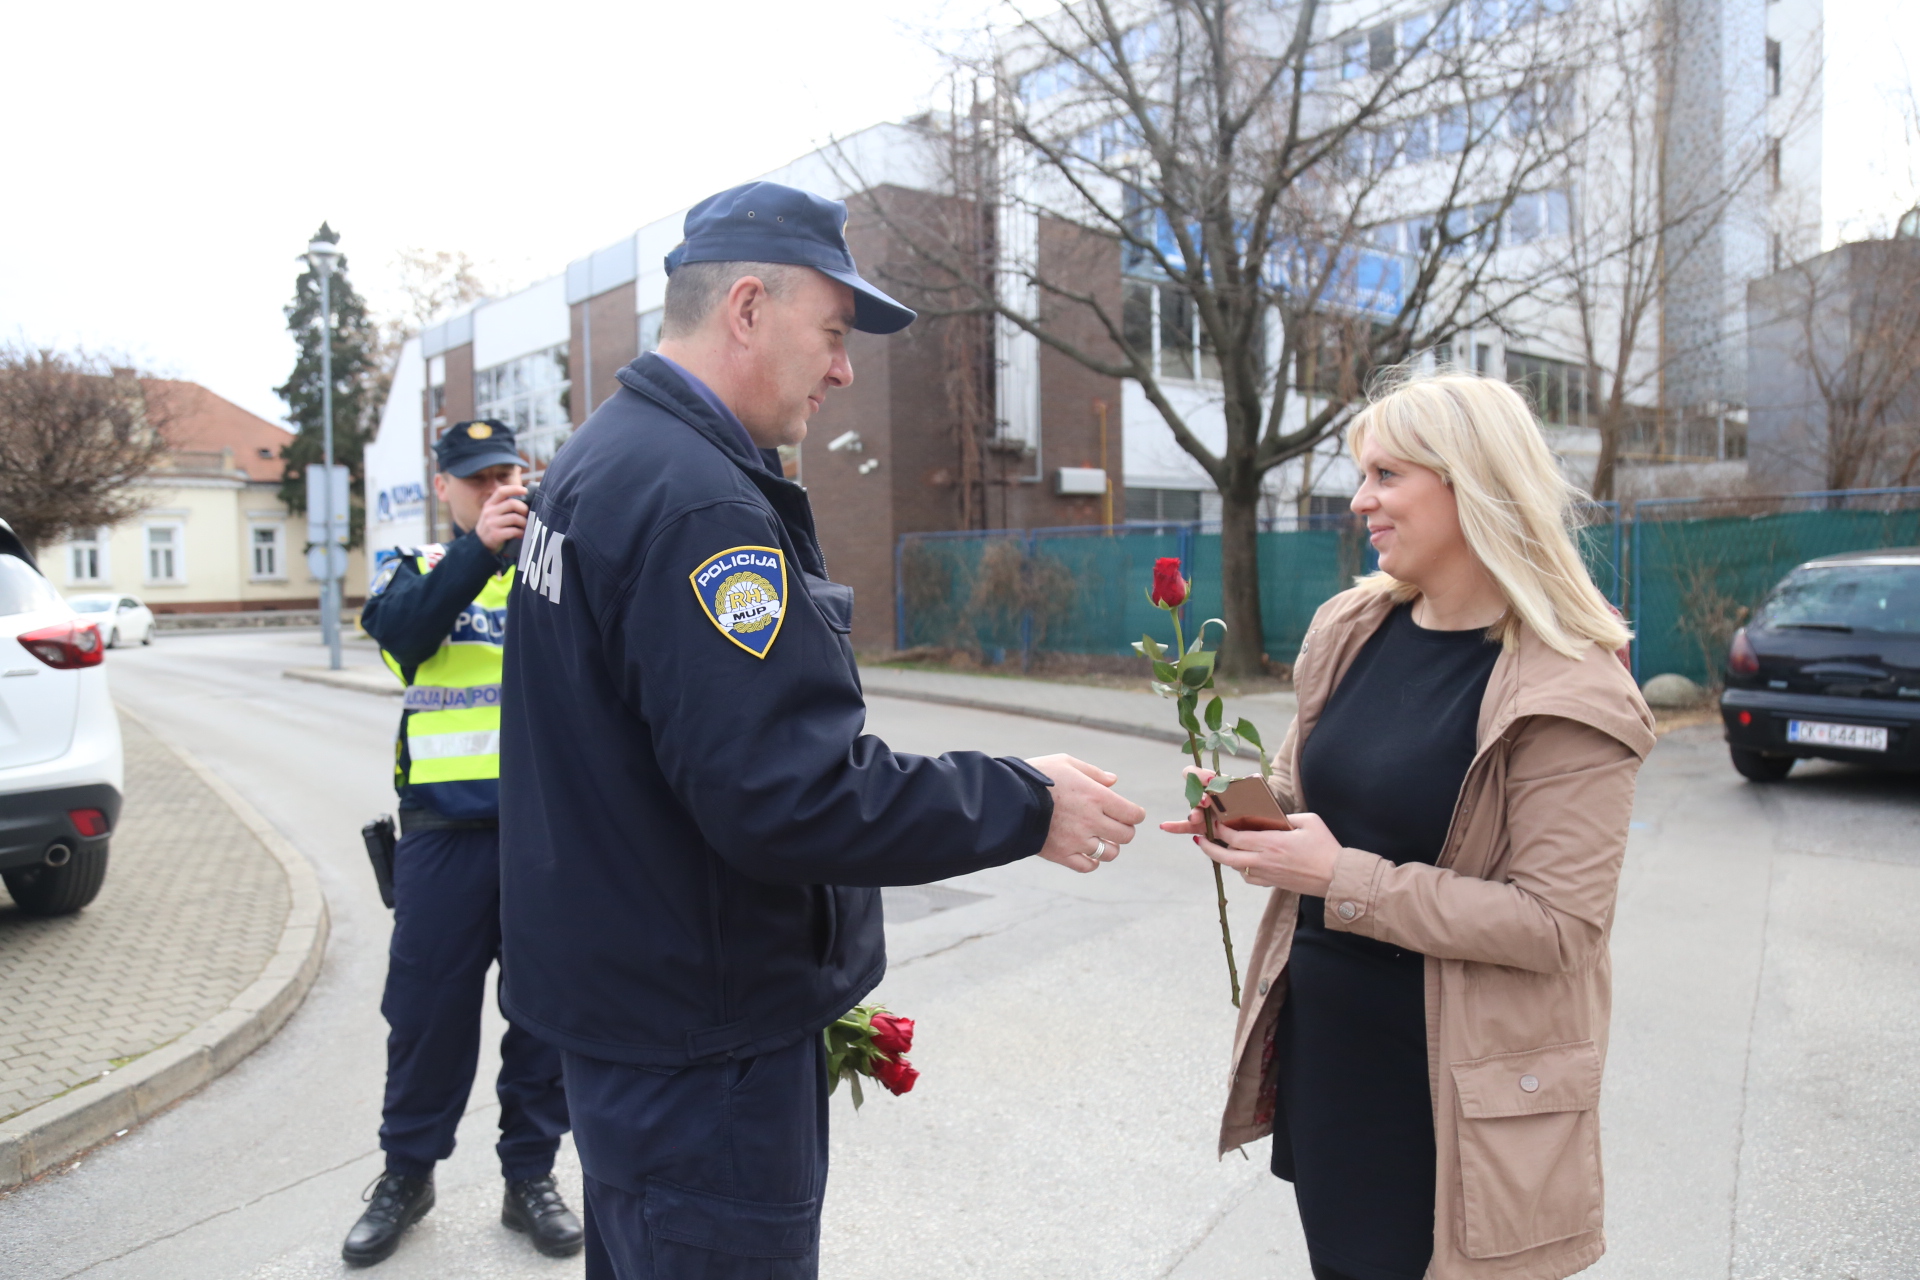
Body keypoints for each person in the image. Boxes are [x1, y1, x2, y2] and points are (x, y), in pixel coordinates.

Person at [497, 181, 1146, 1279]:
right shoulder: (700, 503)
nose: (845, 369)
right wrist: (1026, 799)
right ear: (746, 308)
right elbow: (789, 792)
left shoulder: (601, 459)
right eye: (834, 333)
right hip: (701, 1055)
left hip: (635, 1027)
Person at [1166, 371, 1655, 1280]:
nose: (1360, 501)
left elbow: (1560, 926)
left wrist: (1341, 877)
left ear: (1470, 483)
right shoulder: (1353, 625)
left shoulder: (1572, 687)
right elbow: (1304, 787)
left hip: (1453, 1093)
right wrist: (1244, 809)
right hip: (1330, 1057)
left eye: (1386, 475)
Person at [343, 419, 582, 1267]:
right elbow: (403, 635)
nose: (496, 491)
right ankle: (407, 1175)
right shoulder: (419, 570)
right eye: (477, 479)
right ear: (443, 488)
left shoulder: (555, 572)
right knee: (425, 1015)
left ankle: (530, 1178)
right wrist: (480, 551)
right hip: (444, 837)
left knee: (545, 1016)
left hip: (545, 837)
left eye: (509, 475)